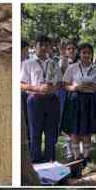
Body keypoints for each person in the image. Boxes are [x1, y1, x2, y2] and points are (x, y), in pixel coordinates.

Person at [21, 35, 61, 164]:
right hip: (35, 99)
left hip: (51, 100)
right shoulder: (28, 63)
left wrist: (53, 88)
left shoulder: (54, 63)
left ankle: (50, 159)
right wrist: (37, 88)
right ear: (35, 46)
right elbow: (21, 84)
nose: (44, 48)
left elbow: (59, 83)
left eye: (47, 45)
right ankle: (36, 160)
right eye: (41, 45)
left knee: (51, 133)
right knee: (35, 132)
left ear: (50, 47)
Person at [62, 43, 96, 163]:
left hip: (89, 101)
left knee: (87, 129)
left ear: (91, 55)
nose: (86, 55)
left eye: (89, 53)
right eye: (84, 52)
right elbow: (65, 84)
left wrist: (90, 87)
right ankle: (76, 157)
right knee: (75, 128)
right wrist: (75, 88)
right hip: (75, 100)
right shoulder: (72, 67)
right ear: (80, 53)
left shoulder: (95, 69)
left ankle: (86, 156)